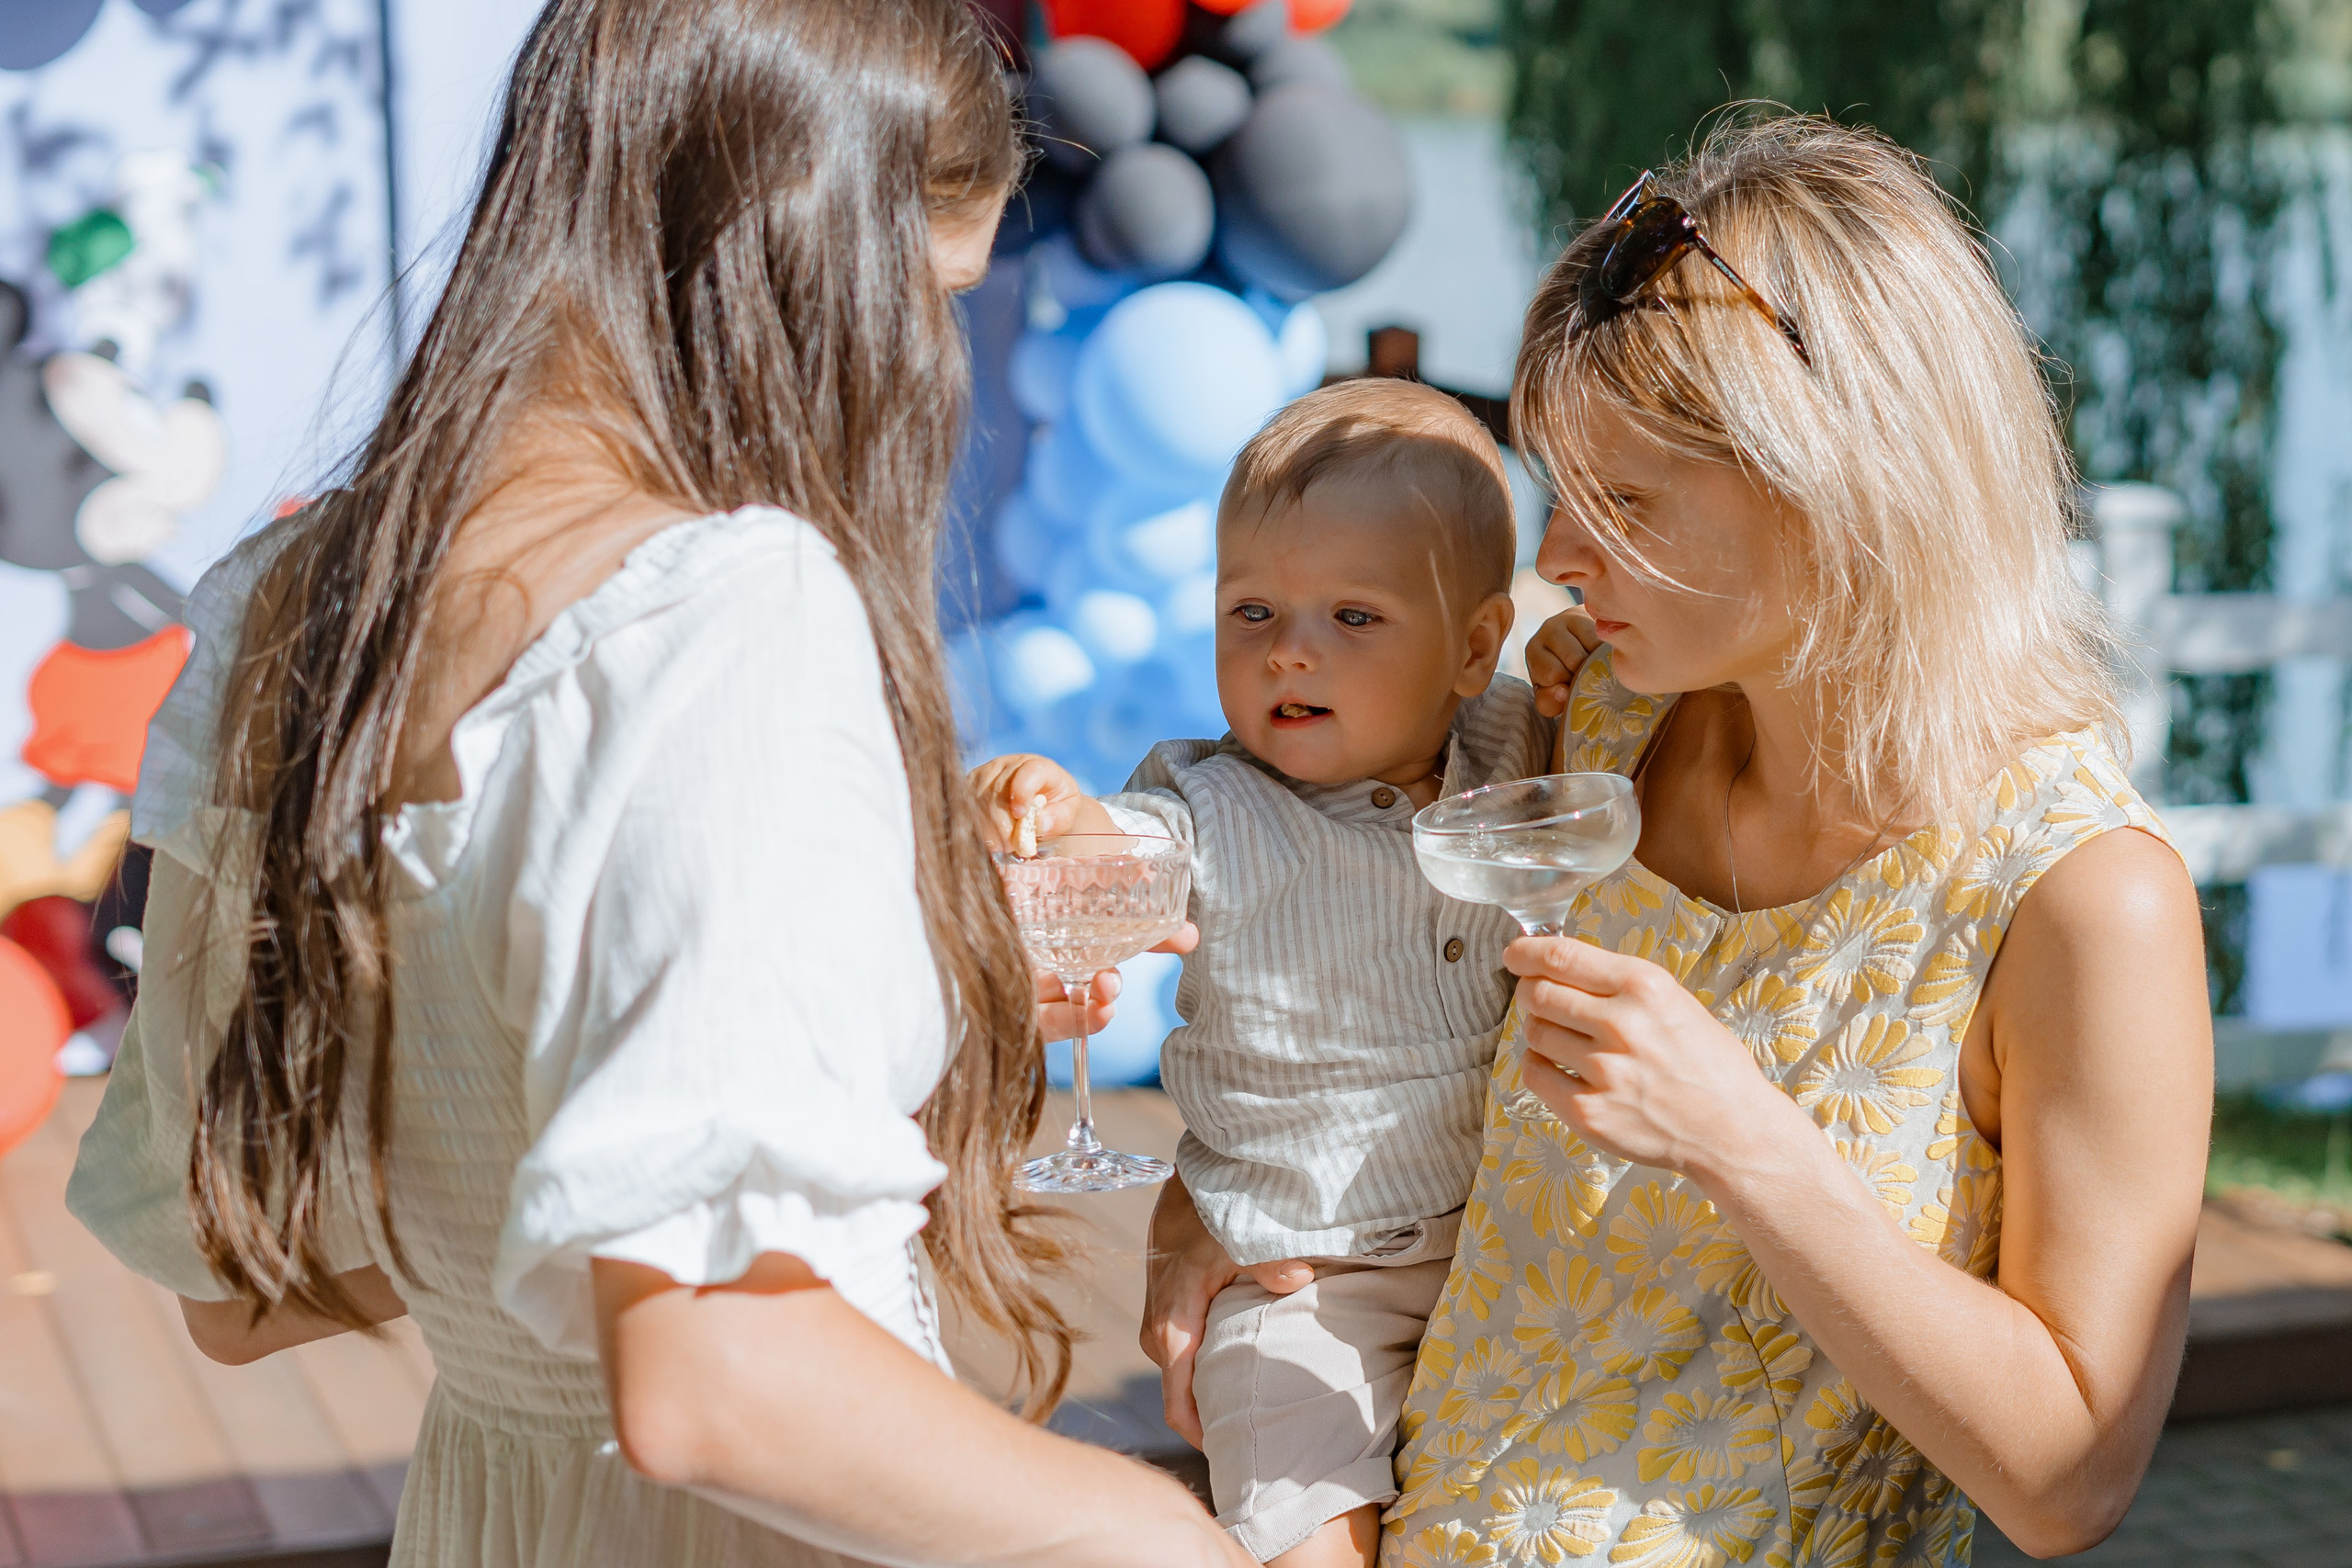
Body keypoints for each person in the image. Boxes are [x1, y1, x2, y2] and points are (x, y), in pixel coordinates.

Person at [65, 3, 1248, 1564]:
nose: (938, 364)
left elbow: (243, 1284)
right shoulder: (718, 608)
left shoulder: (293, 597)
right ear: (819, 259)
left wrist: (920, 987)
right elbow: (718, 1376)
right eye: (936, 295)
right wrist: (1167, 1541)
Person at [1142, 117, 2212, 1565]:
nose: (1562, 558)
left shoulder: (2081, 901)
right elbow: (1335, 926)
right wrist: (1225, 1199)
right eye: (1561, 493)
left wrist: (1742, 1141)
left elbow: (2070, 1480)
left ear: (1839, 479)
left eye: (1625, 501)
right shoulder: (1592, 722)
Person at [975, 379, 1598, 1568]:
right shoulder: (1218, 806)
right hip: (1294, 1278)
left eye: (1353, 618)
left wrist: (1572, 660)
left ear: (1475, 649)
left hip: (1506, 1246)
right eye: (1249, 610)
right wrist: (1050, 818)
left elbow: (1602, 746)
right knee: (1304, 1525)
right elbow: (1126, 851)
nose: (1290, 650)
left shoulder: (1514, 747)